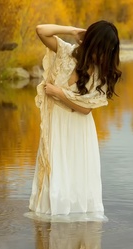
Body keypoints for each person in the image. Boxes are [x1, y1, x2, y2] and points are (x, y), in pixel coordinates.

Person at [28, 21, 122, 218]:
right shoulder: (66, 52)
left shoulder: (100, 73)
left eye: (108, 51)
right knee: (54, 172)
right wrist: (72, 31)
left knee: (74, 174)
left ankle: (74, 223)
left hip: (78, 128)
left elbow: (86, 109)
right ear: (91, 43)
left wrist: (59, 93)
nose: (104, 55)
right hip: (56, 124)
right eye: (102, 49)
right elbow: (41, 30)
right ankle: (51, 219)